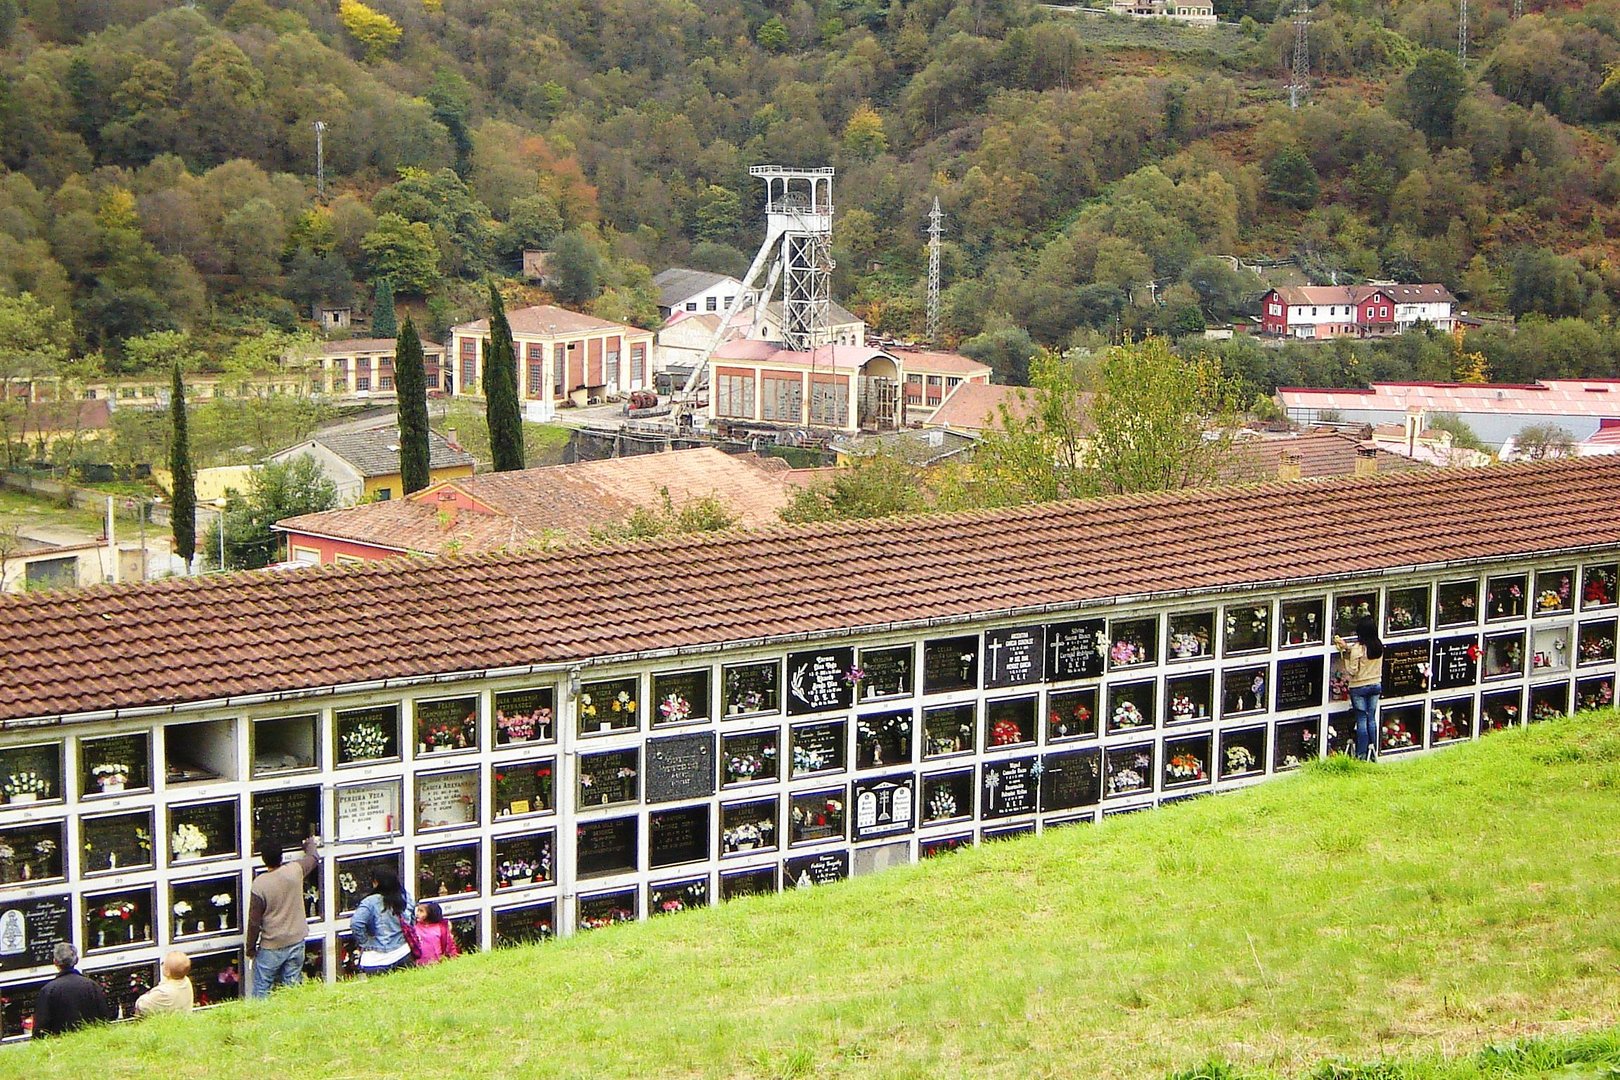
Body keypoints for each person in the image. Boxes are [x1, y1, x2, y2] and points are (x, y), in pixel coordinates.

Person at [246, 834, 320, 999]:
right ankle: (293, 1017)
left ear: (263, 859)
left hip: (271, 946)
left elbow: (254, 922)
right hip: (296, 941)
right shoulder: (294, 871)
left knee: (262, 989)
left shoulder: (260, 884)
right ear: (282, 856)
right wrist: (310, 844)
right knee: (292, 988)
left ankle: (260, 1020)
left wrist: (250, 948)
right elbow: (313, 857)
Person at [32, 942, 112, 1037]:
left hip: (62, 1047)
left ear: (55, 962)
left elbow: (41, 1028)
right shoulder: (92, 986)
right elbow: (104, 1018)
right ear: (77, 960)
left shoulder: (48, 991)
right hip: (92, 1042)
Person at [1335, 617, 1385, 761]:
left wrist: (1344, 655)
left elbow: (1352, 670)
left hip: (1359, 687)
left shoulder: (1358, 648)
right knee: (1371, 718)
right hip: (1376, 685)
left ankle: (1361, 755)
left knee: (1361, 719)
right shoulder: (1378, 646)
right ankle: (1373, 752)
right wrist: (1347, 647)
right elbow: (1362, 654)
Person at [350, 870, 414, 976]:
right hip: (403, 952)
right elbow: (412, 920)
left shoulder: (370, 901)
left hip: (375, 960)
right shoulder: (405, 896)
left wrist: (365, 942)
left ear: (376, 883)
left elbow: (356, 924)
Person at [134, 950, 195, 1016]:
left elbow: (142, 1006)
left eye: (163, 963)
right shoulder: (186, 981)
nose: (162, 965)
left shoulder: (163, 992)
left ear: (167, 972)